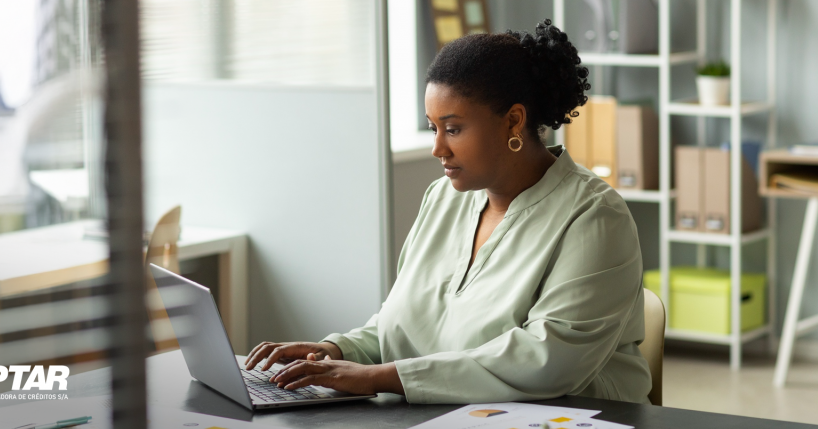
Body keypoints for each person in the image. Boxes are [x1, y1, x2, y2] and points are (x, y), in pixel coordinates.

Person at [245, 19, 651, 404]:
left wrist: (377, 378)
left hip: (568, 425)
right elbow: (403, 326)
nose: (438, 149)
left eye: (453, 129)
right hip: (447, 420)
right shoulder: (443, 198)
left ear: (514, 121)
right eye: (432, 127)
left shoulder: (595, 216)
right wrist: (335, 351)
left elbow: (550, 362)